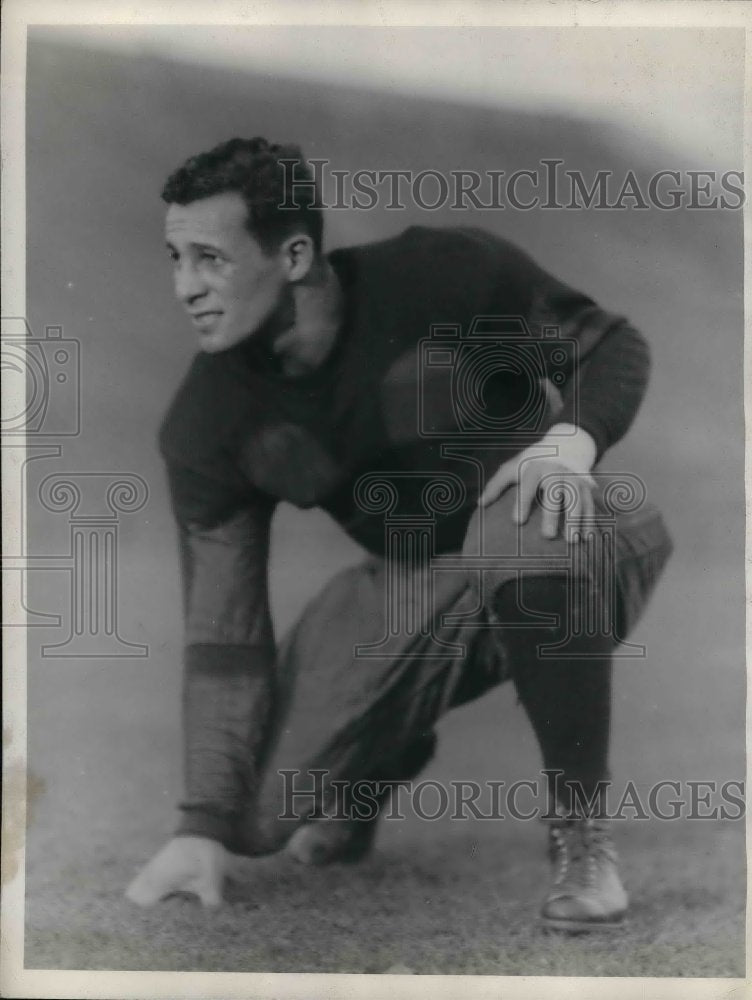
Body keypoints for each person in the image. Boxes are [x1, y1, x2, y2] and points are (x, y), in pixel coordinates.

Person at [125, 137, 672, 930]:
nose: (185, 287)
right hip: (415, 579)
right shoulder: (208, 423)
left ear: (296, 254)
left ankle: (581, 840)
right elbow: (224, 635)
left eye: (209, 259)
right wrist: (200, 825)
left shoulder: (442, 274)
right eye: (175, 258)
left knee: (520, 523)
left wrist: (567, 444)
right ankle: (380, 757)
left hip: (568, 530)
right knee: (252, 820)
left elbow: (611, 344)